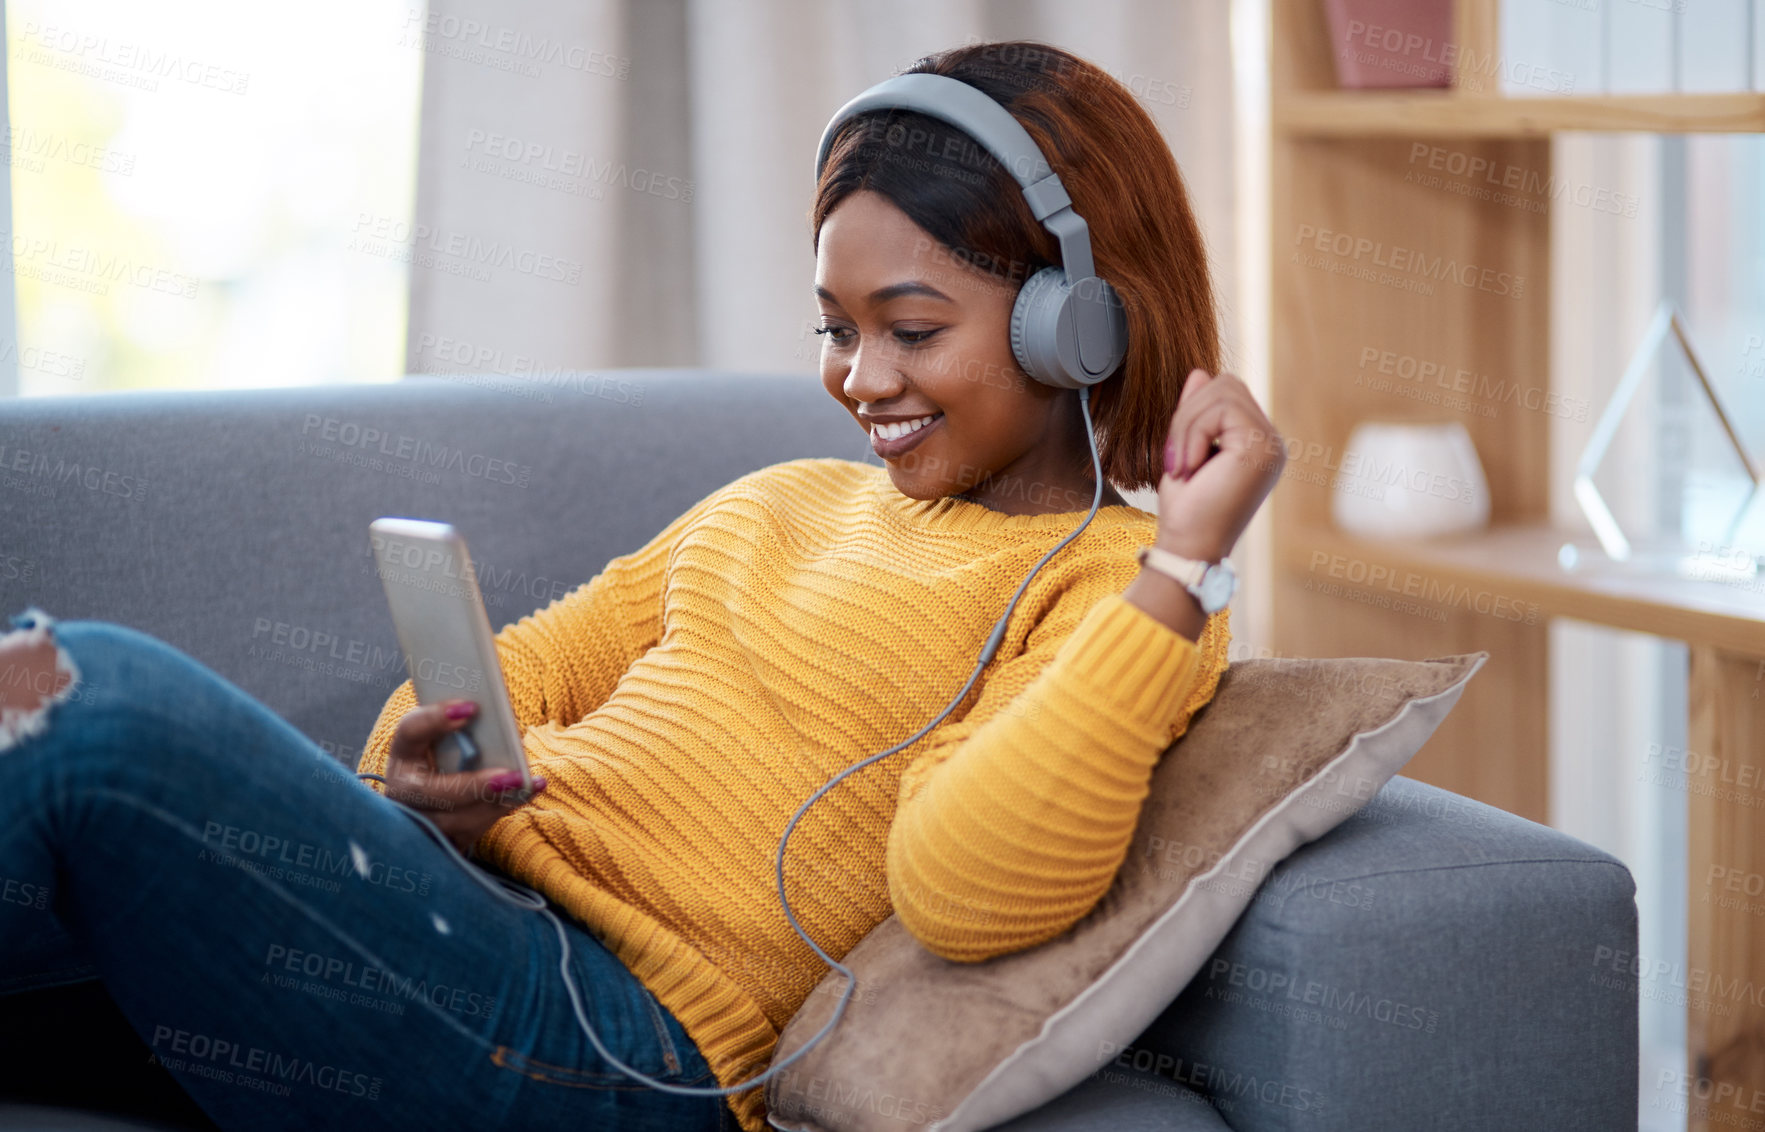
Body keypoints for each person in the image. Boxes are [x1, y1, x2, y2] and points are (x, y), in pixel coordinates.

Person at [0, 38, 1284, 1132]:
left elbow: (960, 882)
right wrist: (428, 769)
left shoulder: (1113, 591)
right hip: (462, 918)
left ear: (1080, 321)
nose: (860, 378)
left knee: (82, 698)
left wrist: (1183, 567)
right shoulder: (775, 500)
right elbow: (508, 675)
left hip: (608, 1035)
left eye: (912, 327)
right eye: (836, 328)